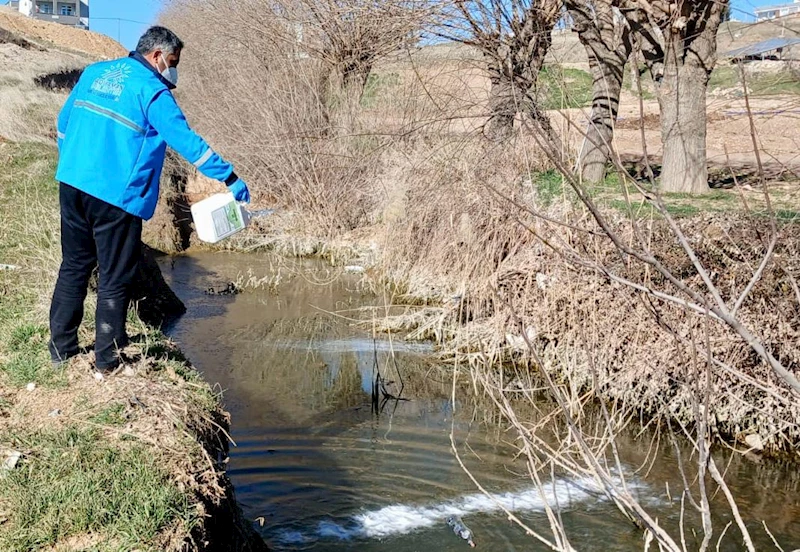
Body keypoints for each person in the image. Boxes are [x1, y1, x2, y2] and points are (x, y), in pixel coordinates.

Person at [49, 26, 250, 373]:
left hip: (71, 184)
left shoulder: (95, 73)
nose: (173, 70)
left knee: (74, 266)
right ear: (157, 56)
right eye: (172, 61)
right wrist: (229, 177)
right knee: (115, 276)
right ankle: (107, 359)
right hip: (115, 196)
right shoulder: (153, 93)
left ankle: (60, 349)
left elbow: (63, 123)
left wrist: (70, 160)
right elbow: (190, 145)